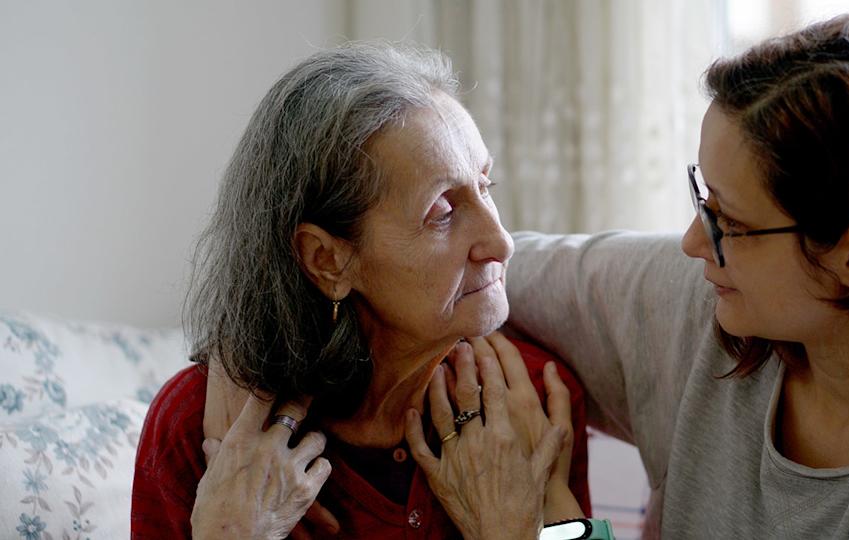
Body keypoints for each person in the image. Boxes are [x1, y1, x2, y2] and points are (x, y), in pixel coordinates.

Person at [416, 14, 849, 539]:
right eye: (703, 198)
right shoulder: (701, 302)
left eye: (731, 222)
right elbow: (466, 274)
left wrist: (539, 523)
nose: (692, 242)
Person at [130, 42, 591, 539]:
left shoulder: (532, 400)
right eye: (442, 211)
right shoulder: (197, 430)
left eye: (485, 186)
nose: (500, 242)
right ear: (326, 260)